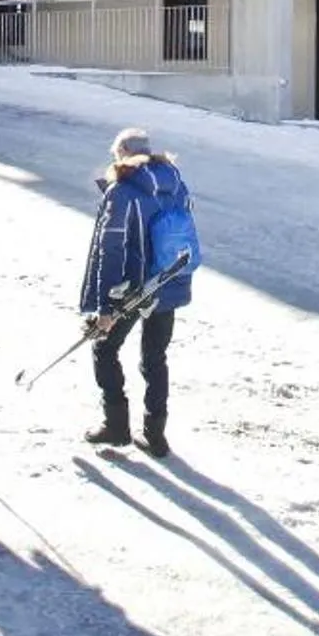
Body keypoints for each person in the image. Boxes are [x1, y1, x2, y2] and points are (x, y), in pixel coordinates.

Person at [78, 126, 196, 458]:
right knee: (155, 358)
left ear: (123, 153)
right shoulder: (176, 185)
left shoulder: (123, 191)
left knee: (104, 348)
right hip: (169, 280)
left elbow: (111, 251)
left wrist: (104, 307)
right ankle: (155, 435)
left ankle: (116, 425)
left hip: (133, 289)